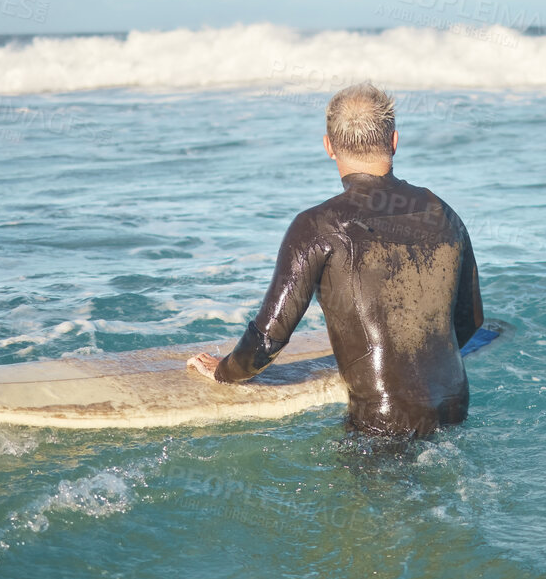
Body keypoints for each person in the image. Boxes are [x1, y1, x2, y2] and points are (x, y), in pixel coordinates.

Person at [187, 83, 483, 436]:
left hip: (382, 420)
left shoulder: (317, 226)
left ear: (329, 146)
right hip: (454, 404)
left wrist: (224, 371)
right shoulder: (442, 212)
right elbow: (469, 321)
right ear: (393, 142)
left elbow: (267, 339)